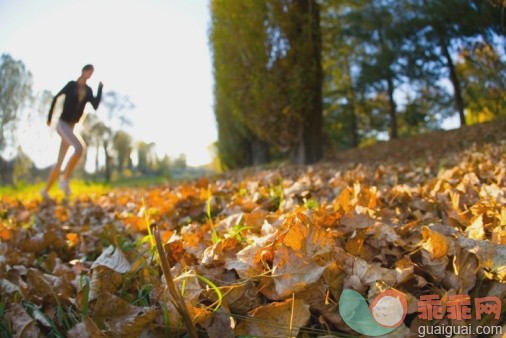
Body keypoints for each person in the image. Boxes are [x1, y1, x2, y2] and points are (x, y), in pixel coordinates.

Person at [41, 64, 103, 199]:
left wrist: (100, 89)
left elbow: (95, 105)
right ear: (83, 71)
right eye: (89, 71)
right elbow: (56, 97)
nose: (90, 74)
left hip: (72, 127)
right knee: (79, 148)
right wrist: (49, 117)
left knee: (59, 162)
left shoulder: (88, 90)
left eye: (92, 73)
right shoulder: (71, 85)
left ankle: (45, 191)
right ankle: (64, 180)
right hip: (62, 124)